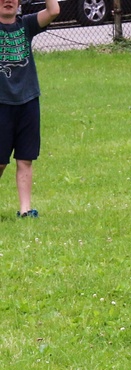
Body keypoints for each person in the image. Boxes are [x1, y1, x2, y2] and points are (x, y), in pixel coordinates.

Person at [0, 0, 59, 218]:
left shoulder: (26, 25)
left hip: (28, 101)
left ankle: (25, 210)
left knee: (25, 158)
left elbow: (53, 10)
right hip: (2, 103)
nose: (8, 1)